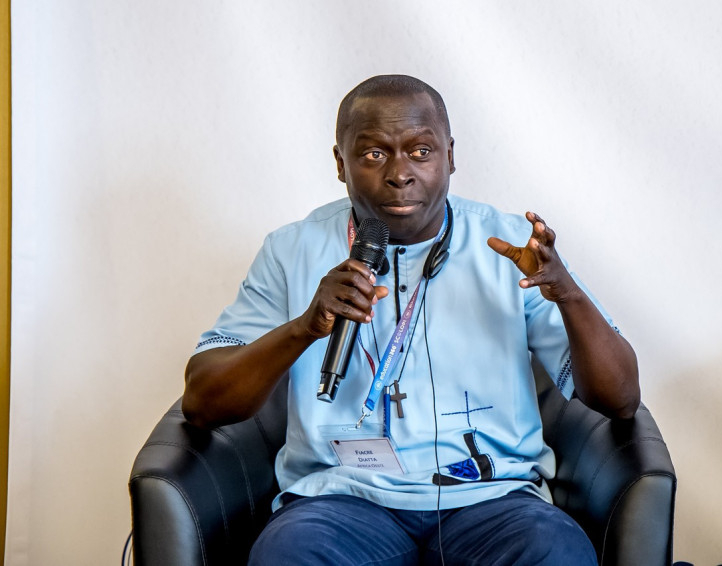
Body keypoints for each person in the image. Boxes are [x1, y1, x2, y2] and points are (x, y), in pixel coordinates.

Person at [182, 74, 640, 566]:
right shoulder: (291, 250)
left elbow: (620, 399)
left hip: (493, 498)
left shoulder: (512, 248)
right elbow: (203, 402)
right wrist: (303, 329)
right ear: (340, 163)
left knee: (555, 552)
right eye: (374, 154)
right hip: (341, 500)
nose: (400, 174)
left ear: (450, 155)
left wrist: (567, 294)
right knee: (287, 555)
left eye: (421, 152)